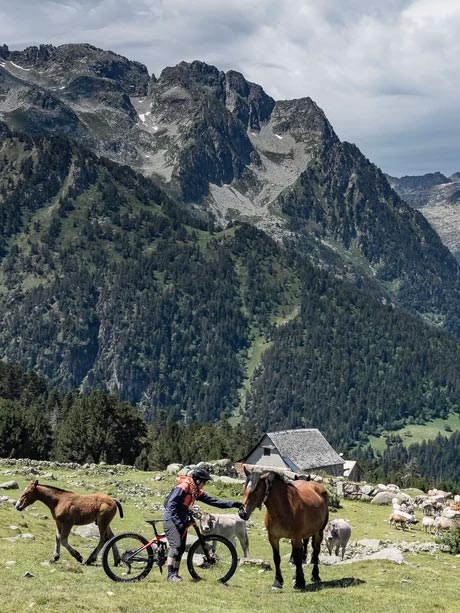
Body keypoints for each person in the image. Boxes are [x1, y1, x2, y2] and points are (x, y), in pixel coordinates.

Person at [163, 466, 241, 582]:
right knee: (176, 545)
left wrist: (233, 504)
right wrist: (178, 522)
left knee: (181, 547)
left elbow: (213, 501)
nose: (204, 485)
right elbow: (171, 505)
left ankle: (176, 573)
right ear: (198, 480)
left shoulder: (195, 491)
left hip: (181, 521)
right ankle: (170, 575)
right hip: (171, 521)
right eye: (203, 482)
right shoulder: (183, 487)